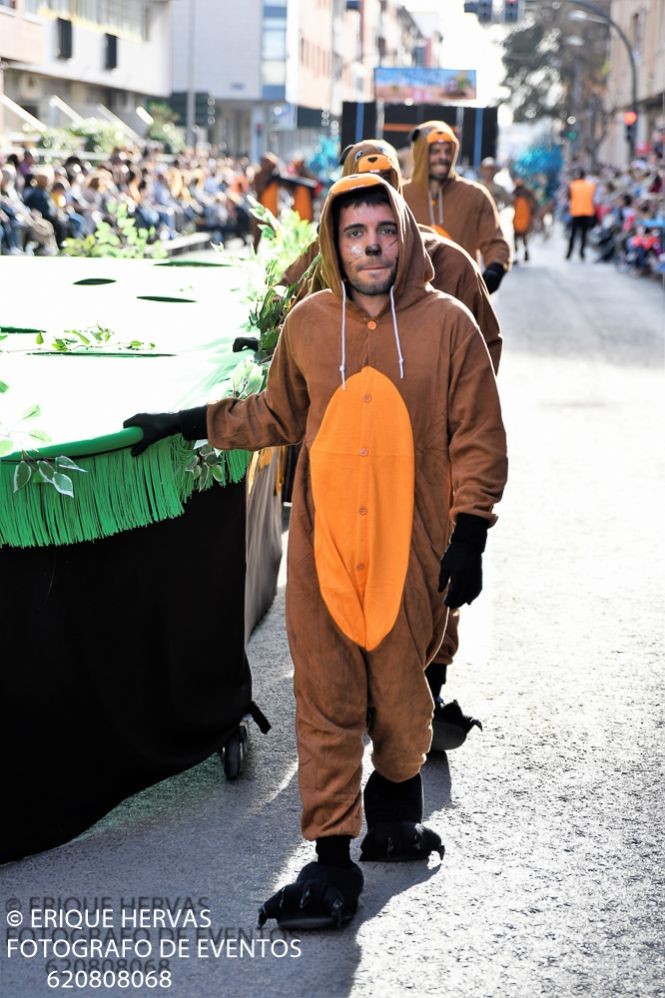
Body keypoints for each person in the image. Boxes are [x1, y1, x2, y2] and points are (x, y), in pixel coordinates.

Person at [123, 174, 507, 930]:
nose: (370, 246)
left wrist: (470, 533)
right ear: (333, 245)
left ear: (404, 238)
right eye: (354, 233)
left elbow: (478, 436)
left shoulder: (450, 324)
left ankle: (393, 812)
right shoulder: (307, 323)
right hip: (325, 547)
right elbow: (275, 413)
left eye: (384, 231)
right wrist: (187, 420)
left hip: (412, 543)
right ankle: (332, 861)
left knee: (402, 690)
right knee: (325, 695)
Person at [275, 138, 503, 747]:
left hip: (430, 456)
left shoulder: (448, 263)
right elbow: (294, 305)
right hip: (352, 460)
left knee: (428, 584)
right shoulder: (333, 263)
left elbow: (484, 354)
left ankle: (427, 687)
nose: (370, 243)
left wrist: (450, 421)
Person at [402, 121, 510, 293]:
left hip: (462, 297)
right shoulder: (400, 196)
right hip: (413, 303)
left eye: (447, 150)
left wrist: (495, 268)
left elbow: (494, 241)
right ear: (421, 153)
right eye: (435, 151)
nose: (443, 157)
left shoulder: (475, 195)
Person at [566, 168, 596, 261]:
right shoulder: (591, 186)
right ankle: (582, 253)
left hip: (576, 212)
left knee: (573, 234)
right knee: (584, 234)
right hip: (587, 212)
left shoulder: (573, 185)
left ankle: (569, 253)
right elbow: (593, 198)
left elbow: (569, 197)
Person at [512, 177, 537, 263]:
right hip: (519, 219)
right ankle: (520, 255)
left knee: (521, 238)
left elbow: (533, 204)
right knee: (520, 238)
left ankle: (523, 254)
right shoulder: (518, 194)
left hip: (523, 219)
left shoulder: (525, 194)